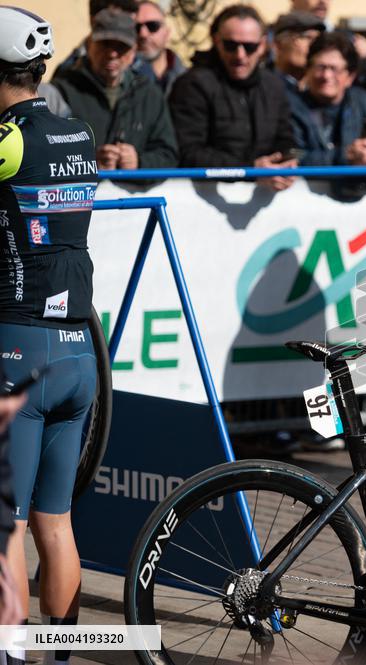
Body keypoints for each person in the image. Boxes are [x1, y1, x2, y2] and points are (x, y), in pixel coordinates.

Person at [0, 8, 101, 665]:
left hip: (19, 345)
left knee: (7, 527)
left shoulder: (6, 139)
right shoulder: (78, 131)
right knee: (55, 522)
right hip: (77, 350)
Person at [169, 4, 297, 191]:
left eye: (249, 47)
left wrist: (287, 160)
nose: (240, 55)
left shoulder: (273, 85)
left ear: (262, 45)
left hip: (265, 195)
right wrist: (249, 169)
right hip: (201, 196)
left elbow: (285, 137)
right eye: (231, 45)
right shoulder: (192, 85)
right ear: (216, 41)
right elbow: (188, 152)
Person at [52, 8, 178, 170]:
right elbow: (47, 152)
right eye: (105, 44)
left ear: (134, 51)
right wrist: (90, 163)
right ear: (90, 45)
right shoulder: (63, 90)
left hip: (133, 187)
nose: (112, 54)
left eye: (121, 47)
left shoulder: (150, 94)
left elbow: (168, 155)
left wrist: (139, 162)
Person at [289, 31, 366, 200]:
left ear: (350, 76)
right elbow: (294, 155)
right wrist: (346, 157)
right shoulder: (290, 106)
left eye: (334, 69)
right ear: (308, 69)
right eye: (320, 67)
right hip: (302, 203)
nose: (326, 76)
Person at [135, 0, 186, 96]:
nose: (143, 34)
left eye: (152, 26)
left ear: (166, 33)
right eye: (136, 27)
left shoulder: (188, 79)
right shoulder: (120, 79)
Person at [271, 10, 325, 89]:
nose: (314, 45)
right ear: (278, 45)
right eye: (308, 38)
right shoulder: (262, 87)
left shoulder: (321, 89)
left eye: (317, 40)